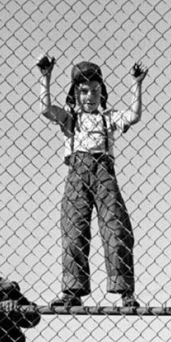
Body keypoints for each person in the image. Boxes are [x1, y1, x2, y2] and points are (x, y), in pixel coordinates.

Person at [38, 56, 148, 309]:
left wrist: (136, 84)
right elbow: (46, 109)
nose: (90, 97)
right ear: (75, 94)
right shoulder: (70, 119)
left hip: (104, 171)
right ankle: (72, 290)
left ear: (102, 92)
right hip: (77, 173)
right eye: (84, 92)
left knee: (117, 228)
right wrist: (45, 78)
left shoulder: (108, 117)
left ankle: (125, 290)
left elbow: (133, 116)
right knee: (74, 231)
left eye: (95, 91)